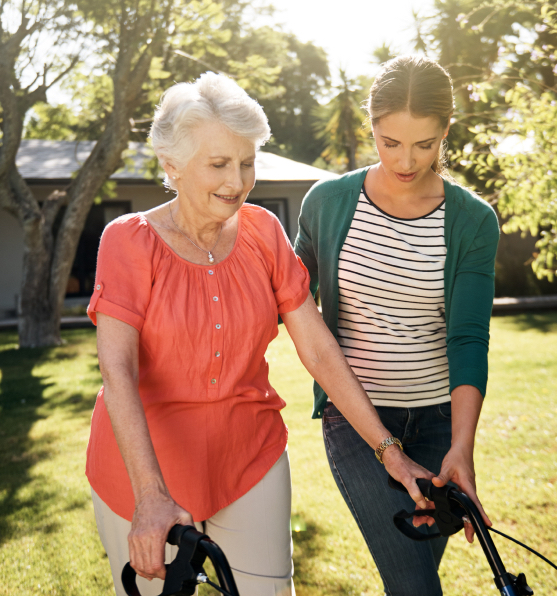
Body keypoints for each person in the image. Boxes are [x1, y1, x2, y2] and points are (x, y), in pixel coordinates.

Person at [86, 72, 430, 596]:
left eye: (247, 162)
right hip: (144, 468)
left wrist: (390, 450)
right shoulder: (128, 242)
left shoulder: (264, 231)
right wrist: (150, 494)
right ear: (171, 165)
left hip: (249, 458)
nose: (237, 180)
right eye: (219, 164)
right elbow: (118, 369)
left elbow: (316, 346)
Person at [294, 55, 500, 596]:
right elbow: (285, 298)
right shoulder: (327, 203)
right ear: (371, 128)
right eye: (390, 142)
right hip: (356, 420)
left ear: (446, 132)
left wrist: (462, 445)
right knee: (414, 586)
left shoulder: (474, 220)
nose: (406, 160)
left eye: (425, 144)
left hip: (437, 422)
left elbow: (468, 337)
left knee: (414, 581)